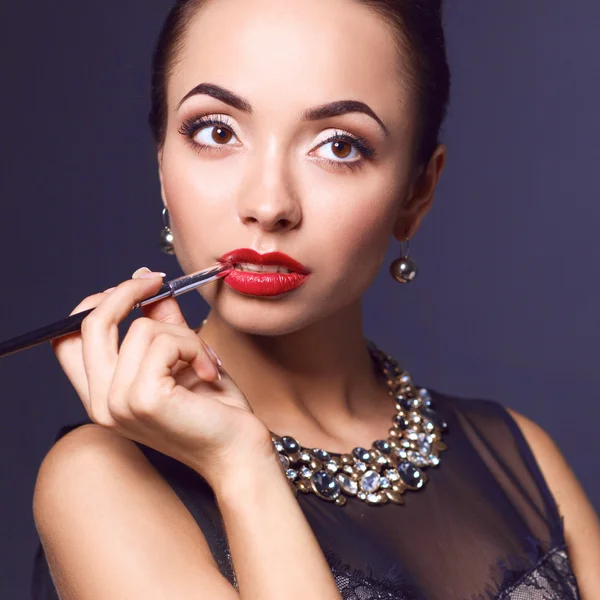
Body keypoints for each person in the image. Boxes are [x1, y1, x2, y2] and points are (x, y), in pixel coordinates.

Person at [30, 0, 600, 598]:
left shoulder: (522, 460)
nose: (269, 203)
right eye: (217, 131)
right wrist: (242, 466)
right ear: (162, 164)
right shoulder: (99, 481)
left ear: (417, 190)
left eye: (339, 146)